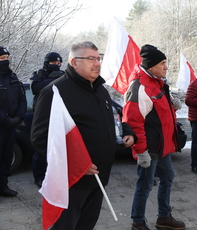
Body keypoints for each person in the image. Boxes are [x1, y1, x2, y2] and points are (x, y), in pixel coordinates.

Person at [31, 41, 136, 229]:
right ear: (74, 62)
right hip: (72, 182)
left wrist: (126, 132)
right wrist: (76, 164)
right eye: (90, 59)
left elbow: (113, 119)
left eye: (98, 58)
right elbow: (40, 137)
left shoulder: (100, 89)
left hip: (99, 178)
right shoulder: (55, 92)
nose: (97, 63)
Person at [123, 44, 185, 230]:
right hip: (149, 148)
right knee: (145, 185)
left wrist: (170, 104)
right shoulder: (140, 87)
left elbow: (157, 113)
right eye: (163, 63)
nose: (166, 67)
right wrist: (141, 152)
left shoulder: (157, 82)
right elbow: (133, 122)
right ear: (151, 66)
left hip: (162, 146)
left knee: (167, 178)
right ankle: (138, 222)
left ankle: (164, 217)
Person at [30, 52, 65, 188]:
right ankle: (39, 177)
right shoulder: (38, 74)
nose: (56, 66)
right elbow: (36, 88)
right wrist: (53, 79)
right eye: (53, 63)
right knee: (40, 148)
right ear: (46, 63)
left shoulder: (63, 75)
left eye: (58, 63)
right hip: (41, 116)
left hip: (58, 115)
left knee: (57, 148)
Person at [0, 46, 27, 197]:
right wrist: (5, 119)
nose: (6, 61)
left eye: (6, 58)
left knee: (6, 158)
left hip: (10, 127)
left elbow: (22, 98)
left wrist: (19, 117)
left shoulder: (13, 78)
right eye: (2, 59)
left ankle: (3, 187)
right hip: (2, 124)